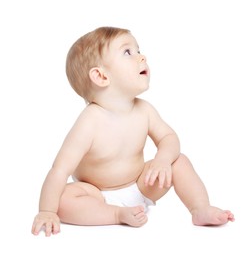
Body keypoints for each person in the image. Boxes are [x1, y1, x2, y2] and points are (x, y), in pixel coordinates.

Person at [31, 26, 234, 237]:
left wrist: (162, 160)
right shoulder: (89, 122)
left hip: (141, 185)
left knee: (179, 161)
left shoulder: (144, 110)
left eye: (138, 50)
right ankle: (116, 214)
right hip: (97, 194)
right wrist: (46, 211)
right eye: (128, 52)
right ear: (101, 76)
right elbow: (60, 170)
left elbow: (168, 137)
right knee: (62, 200)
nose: (142, 56)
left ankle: (199, 208)